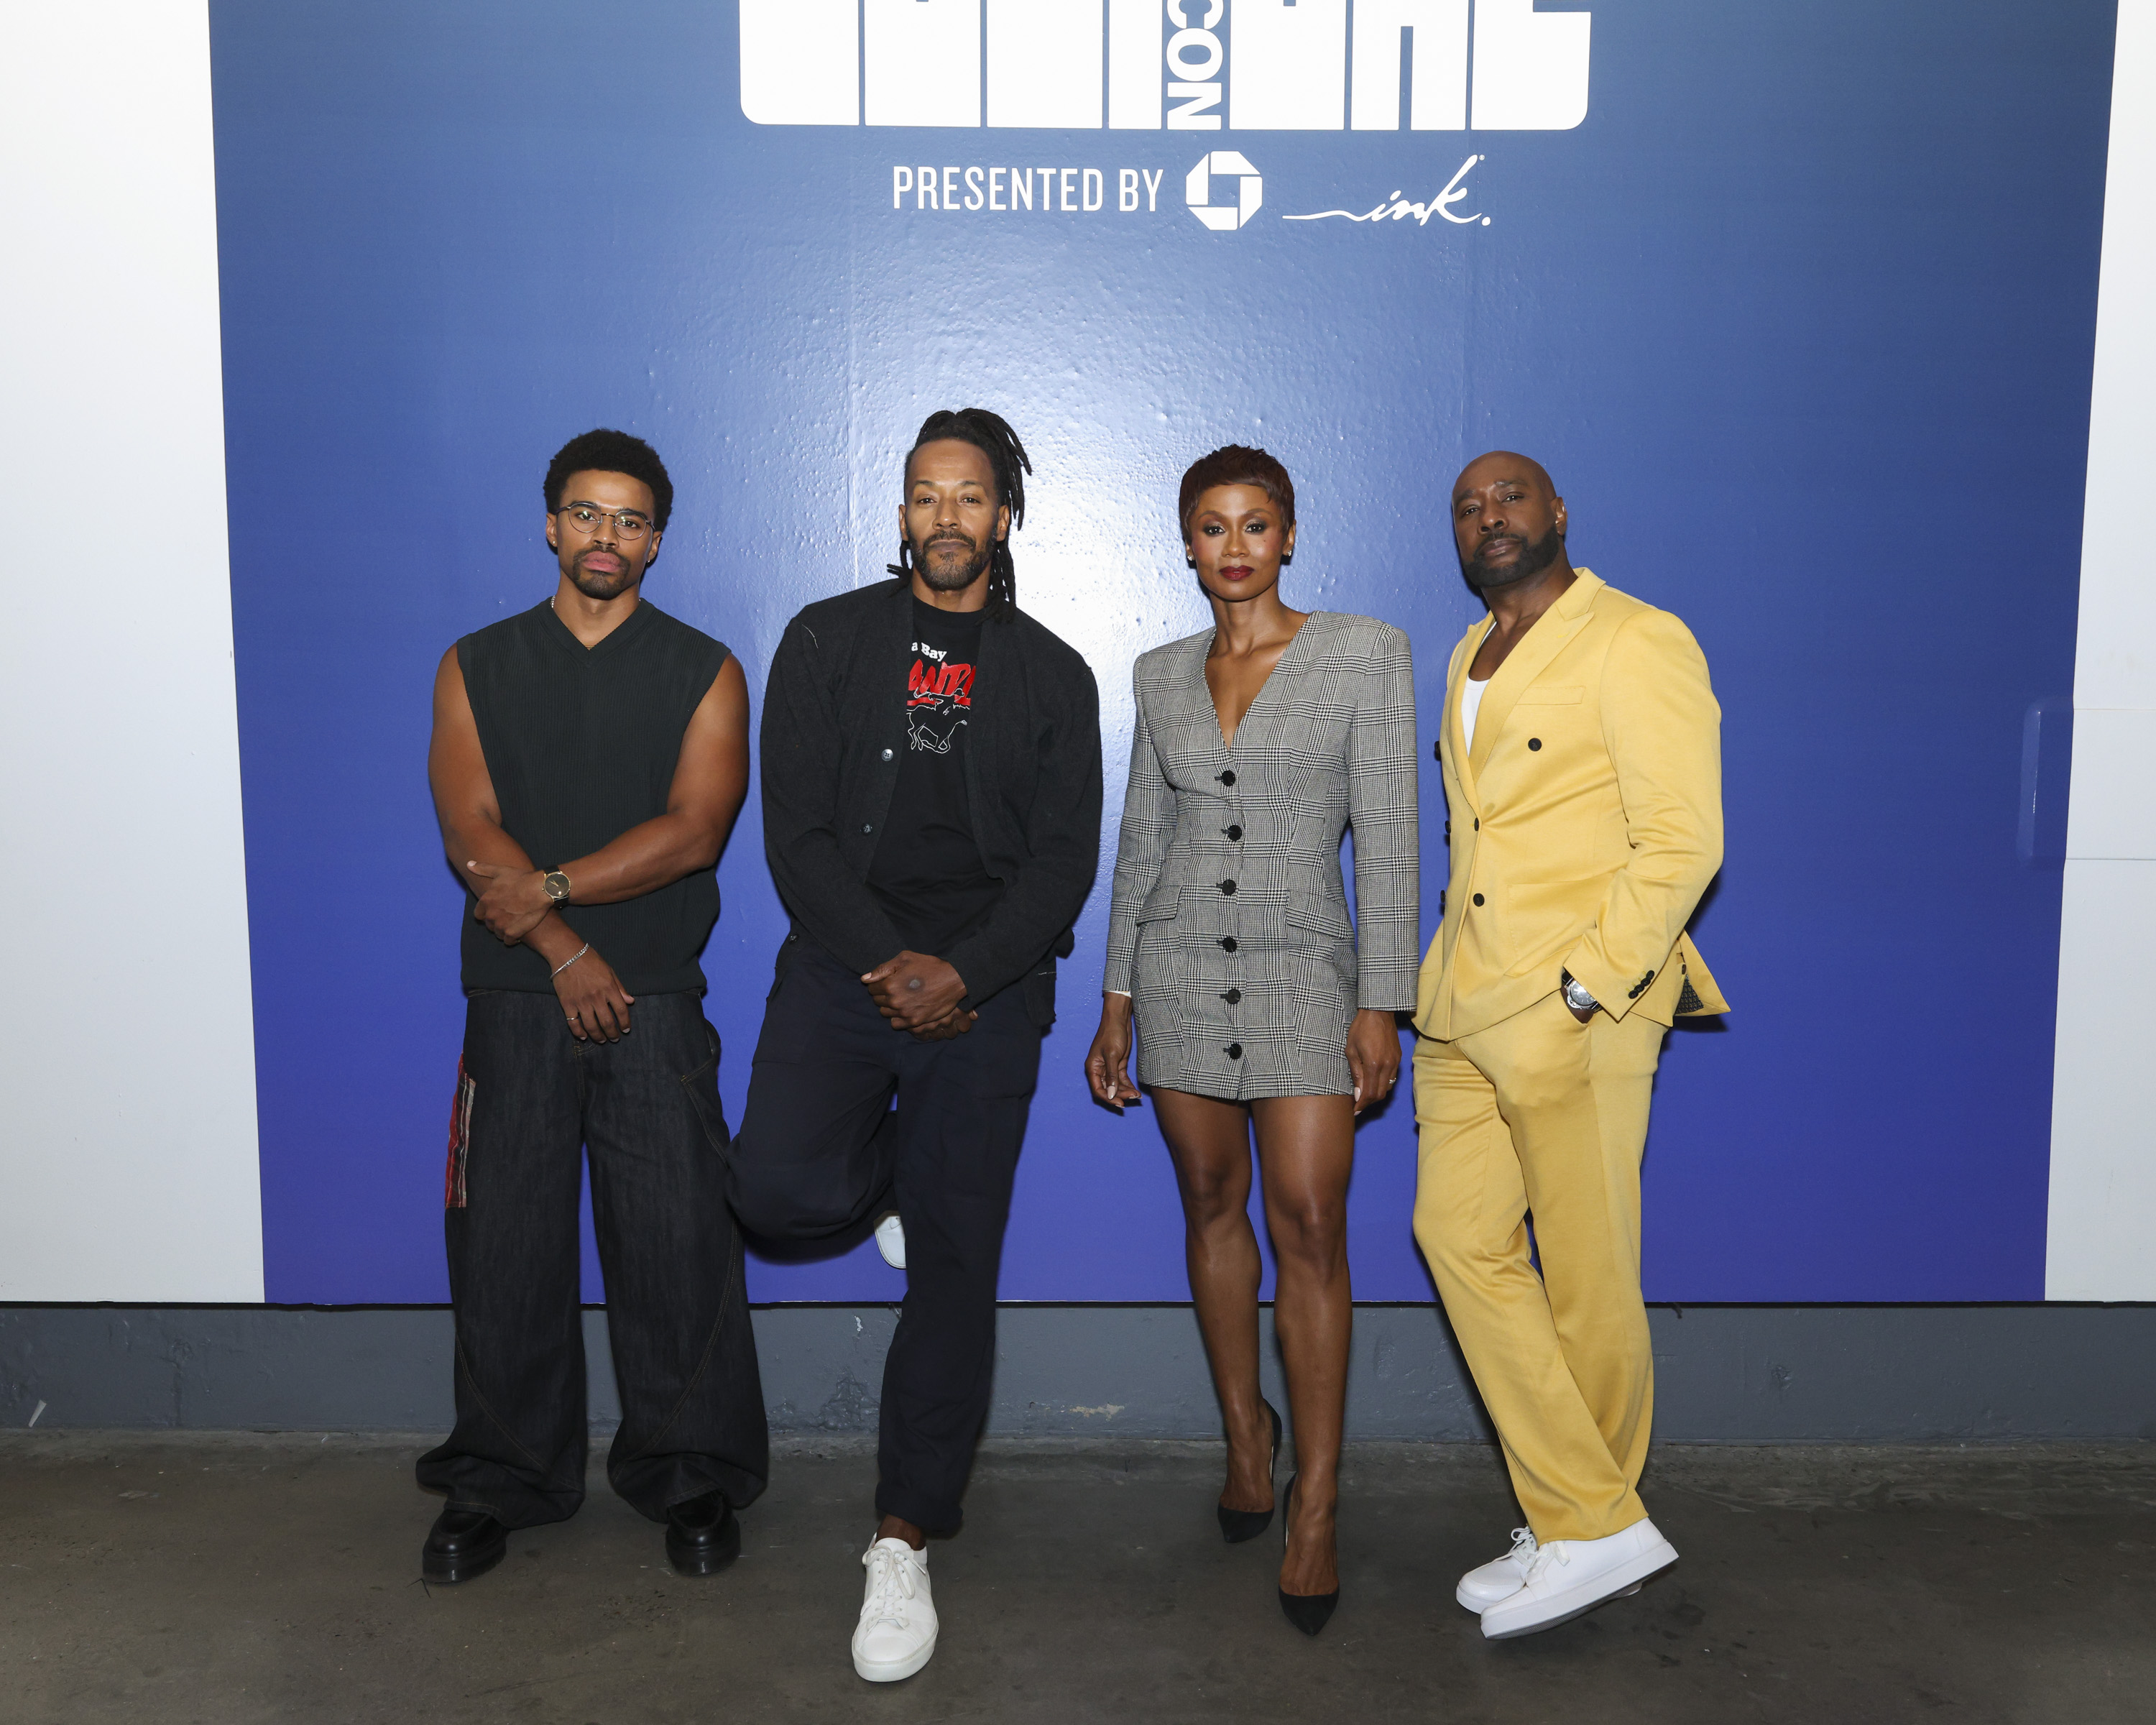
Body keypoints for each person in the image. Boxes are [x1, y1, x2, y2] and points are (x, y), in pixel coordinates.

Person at [727, 408, 1102, 1683]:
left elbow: (1062, 863)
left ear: (1004, 515)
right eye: (927, 495)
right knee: (771, 1190)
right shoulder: (826, 640)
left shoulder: (1053, 676)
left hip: (986, 995)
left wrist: (966, 973)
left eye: (971, 496)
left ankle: (903, 1538)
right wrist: (889, 965)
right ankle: (895, 1173)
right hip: (847, 973)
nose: (948, 516)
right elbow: (796, 836)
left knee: (954, 1263)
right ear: (901, 515)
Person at [417, 428, 766, 1585]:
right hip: (517, 997)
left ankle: (691, 1468)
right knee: (503, 1244)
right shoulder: (475, 664)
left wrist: (555, 889)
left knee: (678, 1243)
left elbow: (695, 831)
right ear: (551, 525)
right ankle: (502, 1476)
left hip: (654, 998)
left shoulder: (706, 669)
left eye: (628, 519)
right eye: (584, 513)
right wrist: (564, 948)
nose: (604, 536)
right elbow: (471, 830)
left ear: (655, 542)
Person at [1086, 445, 1419, 1637]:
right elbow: (1144, 837)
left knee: (1311, 1224)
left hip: (1306, 975)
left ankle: (1316, 1506)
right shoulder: (1160, 674)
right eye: (1214, 526)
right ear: (1188, 543)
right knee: (1209, 1203)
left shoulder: (1365, 653)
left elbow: (1391, 837)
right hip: (1178, 967)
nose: (1237, 546)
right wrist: (1117, 996)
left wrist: (1381, 999)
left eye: (1257, 523)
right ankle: (1245, 1436)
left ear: (1289, 535)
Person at [1411, 450, 1728, 1639]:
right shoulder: (1468, 652)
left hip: (1573, 1005)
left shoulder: (1637, 638)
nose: (1488, 516)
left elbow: (1683, 840)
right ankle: (1584, 1513)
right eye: (1468, 507)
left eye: (1510, 497)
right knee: (1457, 1237)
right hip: (1462, 1002)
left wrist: (1588, 987)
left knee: (1589, 1278)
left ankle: (1587, 1526)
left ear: (1557, 512)